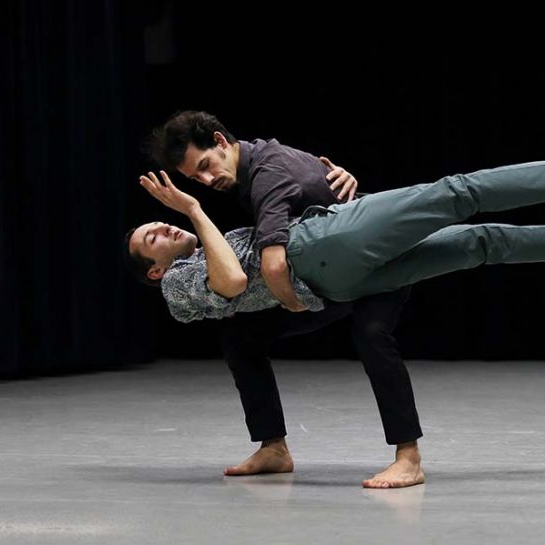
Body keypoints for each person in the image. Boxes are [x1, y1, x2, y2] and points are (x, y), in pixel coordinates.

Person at [125, 139, 545, 481]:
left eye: (159, 220)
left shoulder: (226, 214)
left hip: (341, 269)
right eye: (152, 235)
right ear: (153, 270)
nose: (164, 226)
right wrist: (193, 209)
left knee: (480, 242)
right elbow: (237, 277)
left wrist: (338, 179)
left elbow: (289, 194)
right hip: (322, 252)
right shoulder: (178, 286)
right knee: (457, 191)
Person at [144, 111, 422, 489]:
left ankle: (409, 458)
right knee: (240, 338)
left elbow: (271, 260)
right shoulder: (250, 169)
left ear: (221, 141)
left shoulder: (266, 170)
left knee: (372, 334)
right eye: (196, 178)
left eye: (206, 166)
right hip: (331, 274)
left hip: (373, 264)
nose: (208, 181)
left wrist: (290, 300)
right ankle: (273, 447)